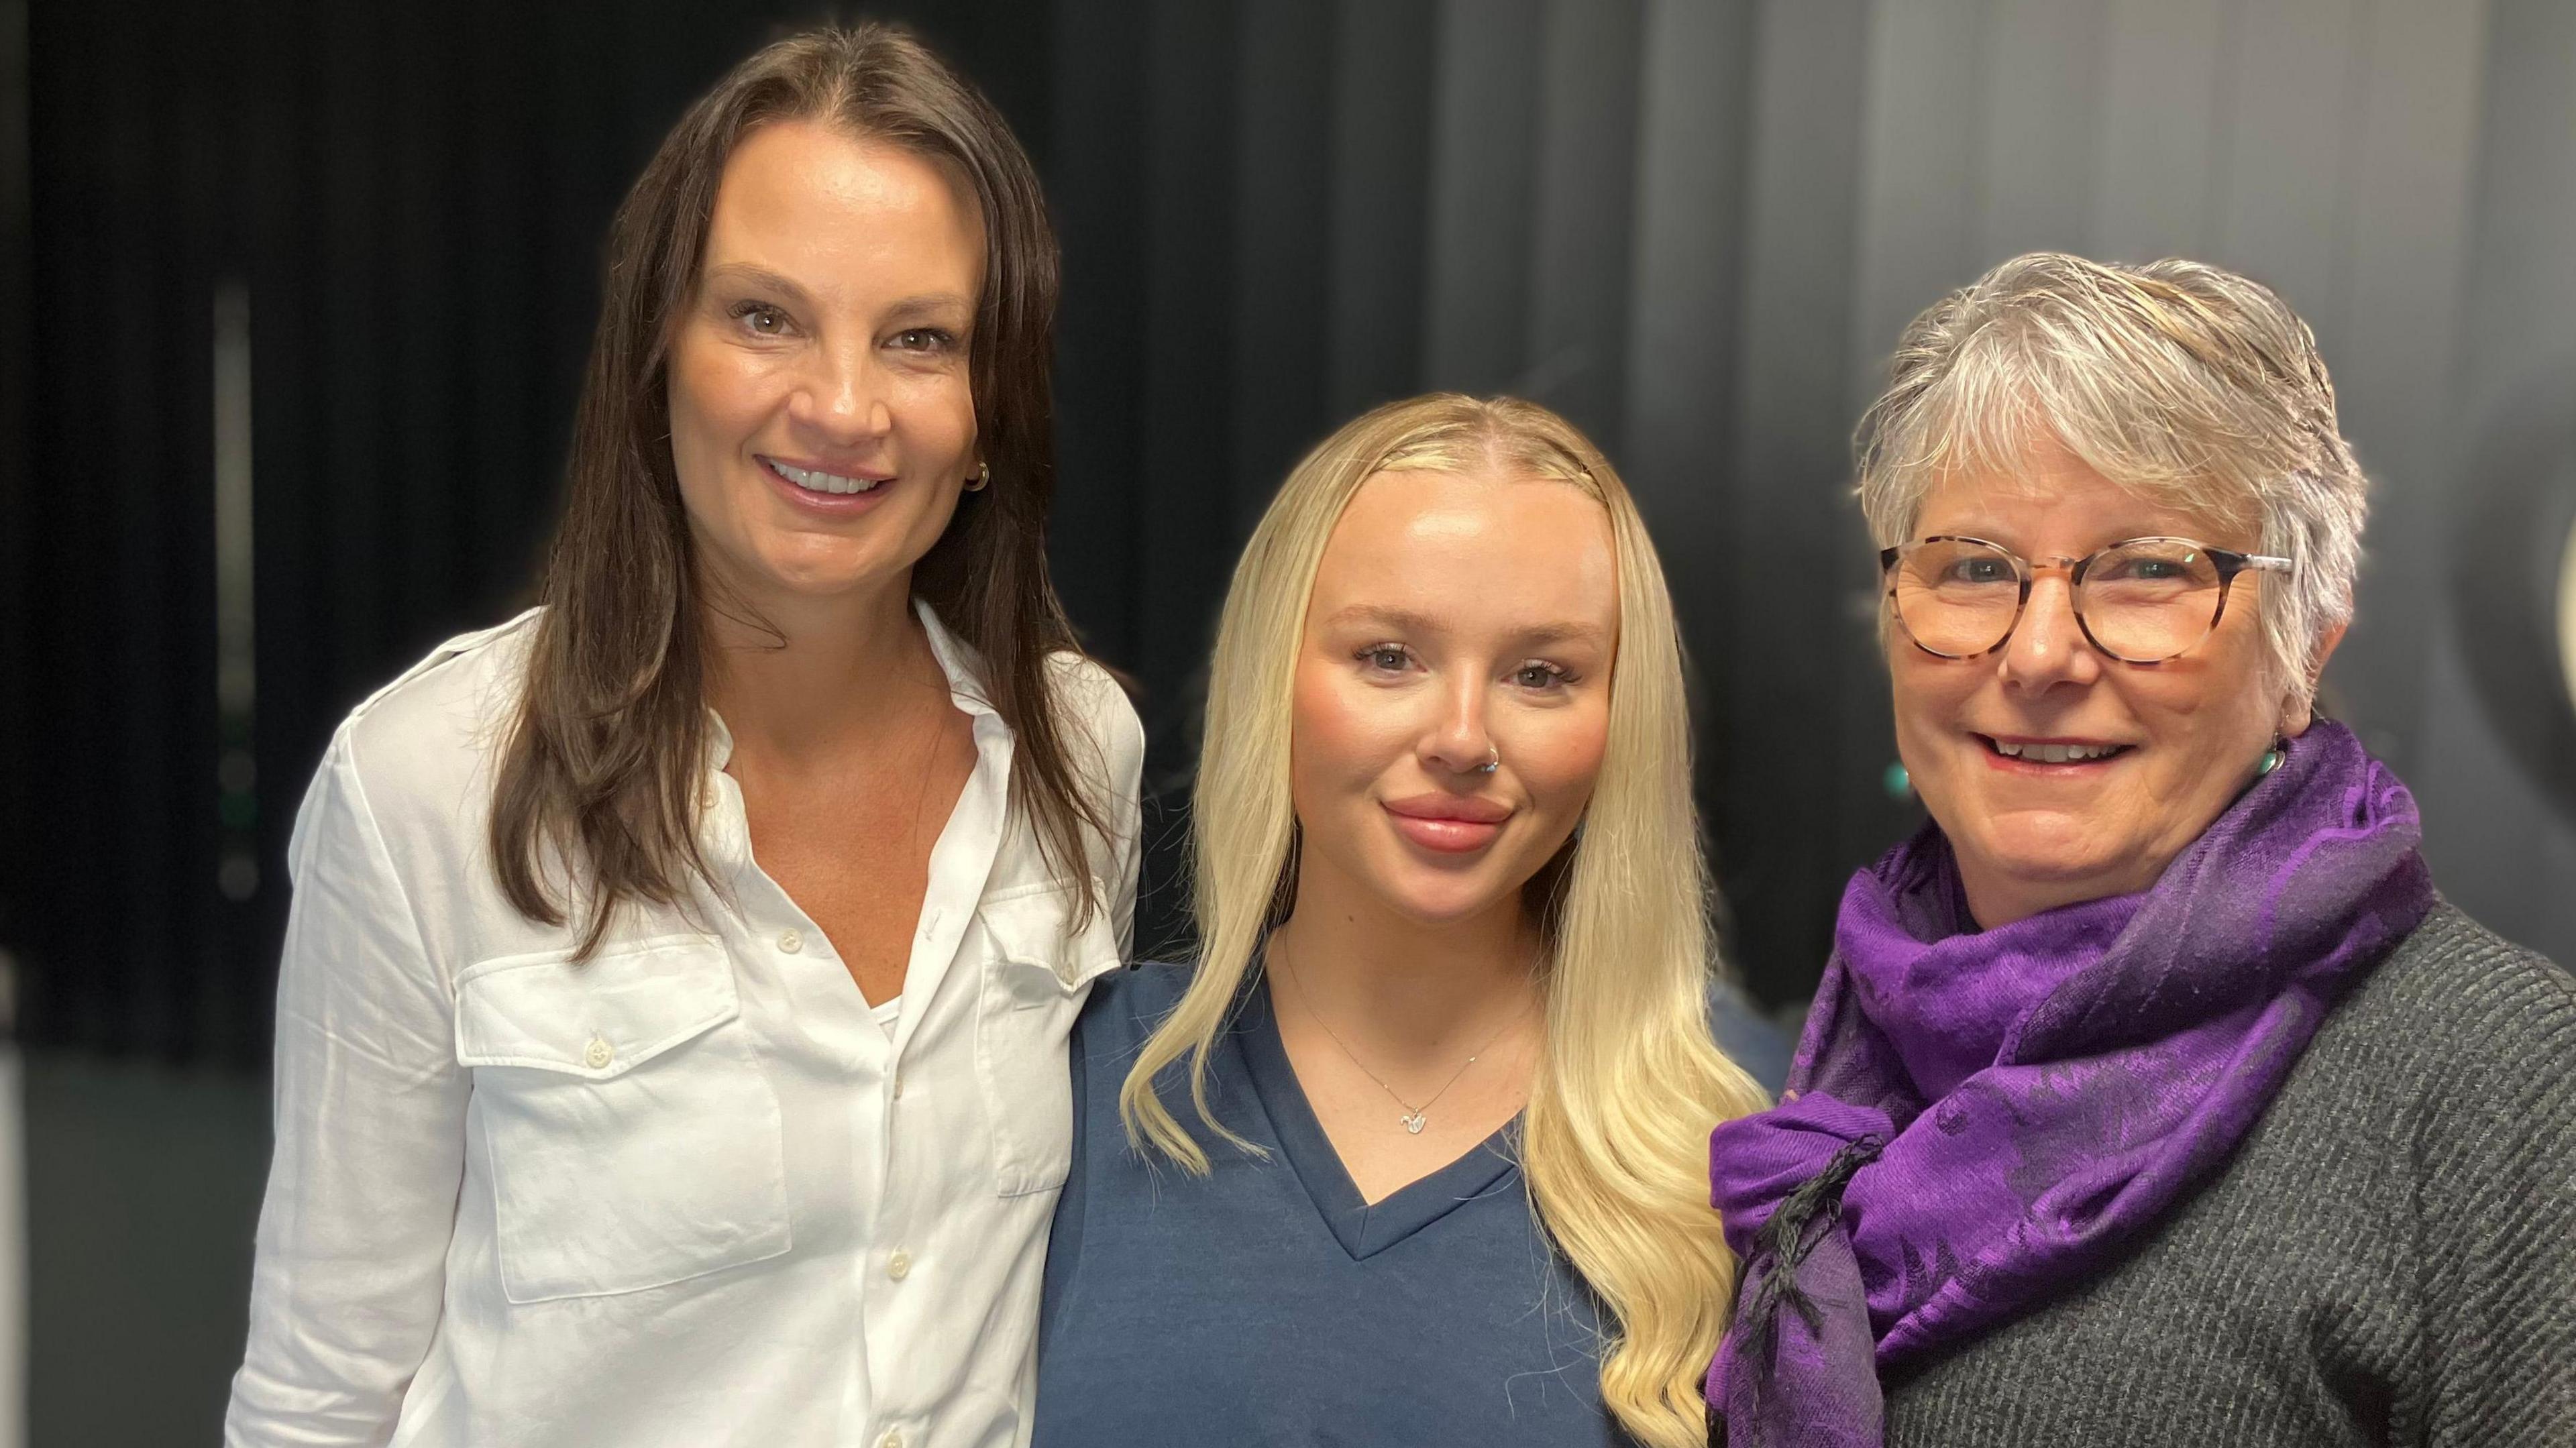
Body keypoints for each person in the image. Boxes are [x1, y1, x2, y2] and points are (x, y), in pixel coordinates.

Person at [224, 25, 1142, 1448]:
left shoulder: (1081, 754)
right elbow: (318, 1398)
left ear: (987, 414)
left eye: (919, 338)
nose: (842, 407)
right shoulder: (429, 783)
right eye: (766, 316)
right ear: (658, 355)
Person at [1707, 253, 2576, 1447]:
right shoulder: (1830, 1054)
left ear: (2305, 649)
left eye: (2147, 570)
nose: (2042, 656)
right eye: (1973, 568)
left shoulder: (2501, 1083)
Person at [1035, 395, 1782, 1448]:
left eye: (1541, 674)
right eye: (1390, 656)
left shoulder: (1747, 1131)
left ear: (1621, 721)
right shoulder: (1068, 1078)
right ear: (1273, 681)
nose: (1463, 737)